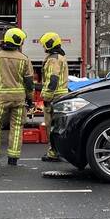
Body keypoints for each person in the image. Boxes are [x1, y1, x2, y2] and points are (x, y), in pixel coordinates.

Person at [0, 27, 34, 167]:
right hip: (19, 98)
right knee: (16, 127)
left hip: (1, 98)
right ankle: (13, 158)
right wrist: (30, 99)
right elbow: (29, 83)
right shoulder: (24, 59)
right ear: (18, 41)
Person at [39, 32, 69, 163]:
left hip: (54, 97)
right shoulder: (61, 57)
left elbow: (53, 80)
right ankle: (60, 151)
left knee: (51, 127)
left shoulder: (53, 59)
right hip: (61, 96)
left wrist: (46, 98)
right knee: (59, 126)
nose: (44, 47)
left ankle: (53, 153)